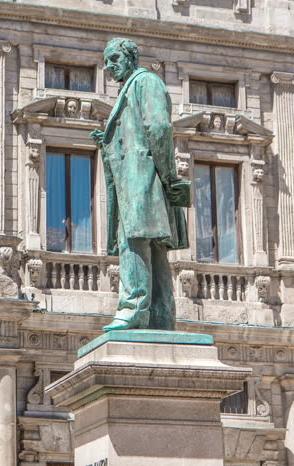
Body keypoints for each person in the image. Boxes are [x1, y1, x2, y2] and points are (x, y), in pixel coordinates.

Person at [90, 38, 190, 332]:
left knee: (133, 240)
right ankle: (160, 315)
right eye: (106, 61)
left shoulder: (146, 82)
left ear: (131, 57)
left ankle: (133, 308)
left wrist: (169, 177)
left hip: (142, 178)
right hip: (141, 176)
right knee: (154, 248)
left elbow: (159, 128)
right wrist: (109, 138)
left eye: (114, 58)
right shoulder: (132, 88)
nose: (108, 67)